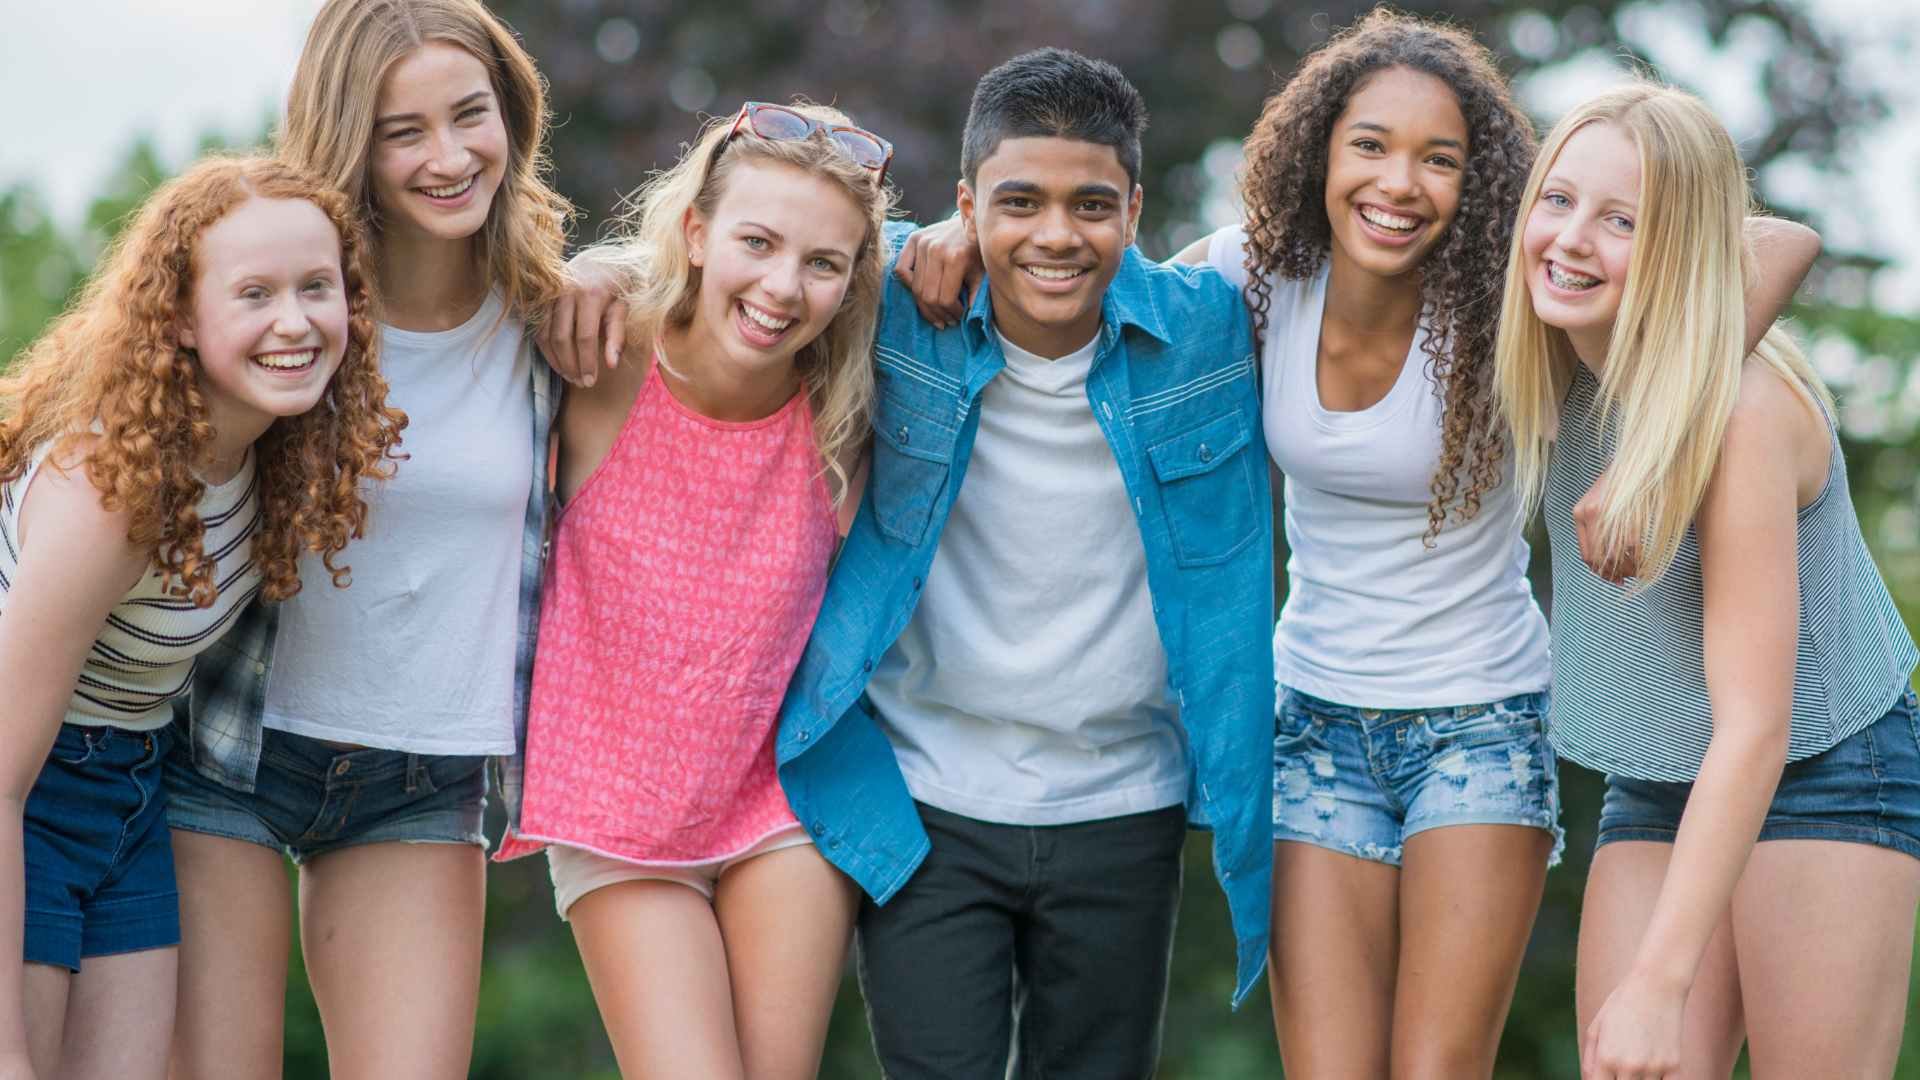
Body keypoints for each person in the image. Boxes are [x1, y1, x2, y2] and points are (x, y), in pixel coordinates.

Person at [779, 49, 1273, 1079]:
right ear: (968, 204)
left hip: (1123, 806)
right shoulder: (895, 302)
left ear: (1135, 209)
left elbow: (1345, 247)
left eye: (1092, 204)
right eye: (1019, 203)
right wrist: (603, 272)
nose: (1056, 235)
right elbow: (753, 241)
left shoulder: (1210, 325)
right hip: (924, 802)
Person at [162, 2, 574, 1077]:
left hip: (422, 774)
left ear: (512, 114)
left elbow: (760, 267)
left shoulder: (554, 317)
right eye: (404, 131)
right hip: (229, 751)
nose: (449, 157)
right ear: (351, 137)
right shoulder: (294, 307)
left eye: (469, 115)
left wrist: (936, 240)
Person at [1494, 82, 1919, 1080]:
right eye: (1557, 201)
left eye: (1621, 221)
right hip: (1661, 770)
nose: (1569, 241)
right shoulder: (1547, 352)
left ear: (1680, 248)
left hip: (1825, 767)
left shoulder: (1739, 415)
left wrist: (1659, 982)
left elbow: (1757, 723)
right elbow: (1780, 240)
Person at [491, 100, 893, 1080]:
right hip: (618, 816)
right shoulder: (606, 356)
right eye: (757, 242)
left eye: (823, 263)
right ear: (698, 232)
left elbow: (969, 260)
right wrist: (598, 267)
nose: (782, 286)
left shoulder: (847, 408)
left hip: (777, 804)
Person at [0, 154, 402, 1080]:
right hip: (30, 792)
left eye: (317, 288)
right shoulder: (114, 493)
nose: (294, 322)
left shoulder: (272, 458)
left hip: (133, 789)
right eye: (253, 294)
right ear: (178, 318)